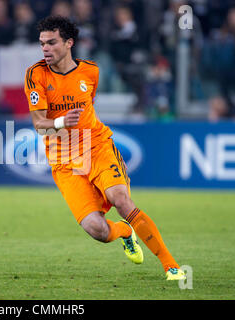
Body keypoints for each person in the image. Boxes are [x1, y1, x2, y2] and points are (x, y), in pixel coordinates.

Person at [24, 15, 185, 280]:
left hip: (96, 146)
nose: (45, 49)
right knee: (97, 230)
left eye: (51, 43)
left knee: (120, 199)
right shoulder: (36, 74)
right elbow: (39, 124)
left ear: (69, 43)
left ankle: (171, 266)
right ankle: (124, 232)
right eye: (42, 43)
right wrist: (64, 121)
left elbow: (88, 104)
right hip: (64, 162)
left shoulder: (90, 71)